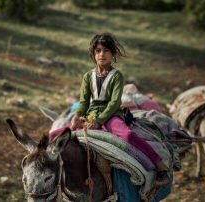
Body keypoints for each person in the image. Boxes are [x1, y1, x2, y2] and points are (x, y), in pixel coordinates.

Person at [70, 33, 168, 186]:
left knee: (128, 136)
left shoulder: (117, 76)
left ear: (113, 53)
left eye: (106, 50)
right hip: (90, 116)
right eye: (98, 51)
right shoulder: (87, 76)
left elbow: (115, 102)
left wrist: (99, 120)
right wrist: (77, 116)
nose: (102, 54)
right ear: (93, 54)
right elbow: (83, 102)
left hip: (111, 115)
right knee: (61, 135)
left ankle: (159, 165)